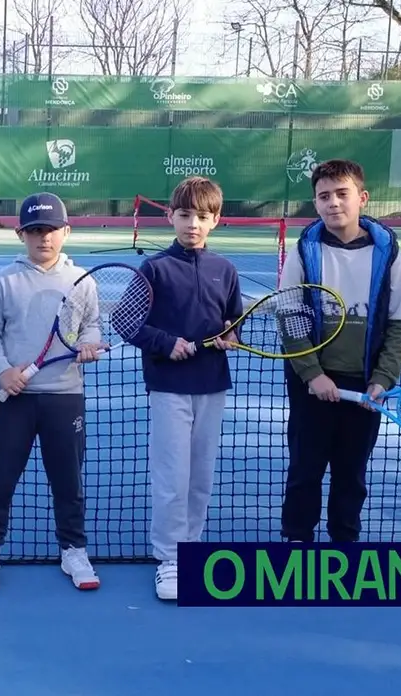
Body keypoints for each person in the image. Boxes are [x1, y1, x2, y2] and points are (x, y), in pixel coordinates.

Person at [0, 192, 103, 593]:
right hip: (17, 400)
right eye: (35, 231)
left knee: (68, 480)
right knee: (0, 479)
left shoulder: (82, 282)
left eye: (51, 230)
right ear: (21, 234)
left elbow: (92, 325)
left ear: (66, 231)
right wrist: (3, 371)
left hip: (65, 397)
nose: (43, 238)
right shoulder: (4, 281)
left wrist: (90, 344)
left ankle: (74, 549)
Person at [279, 159, 401, 544]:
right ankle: (296, 540)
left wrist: (382, 379)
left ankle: (345, 543)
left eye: (342, 194)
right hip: (312, 384)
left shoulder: (389, 254)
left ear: (362, 198)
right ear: (315, 203)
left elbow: (398, 325)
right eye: (323, 196)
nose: (333, 203)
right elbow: (290, 318)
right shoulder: (304, 251)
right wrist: (312, 374)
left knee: (352, 474)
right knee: (305, 470)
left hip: (365, 386)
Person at [126, 176, 242, 601]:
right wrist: (166, 343)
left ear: (216, 221)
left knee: (200, 475)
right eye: (185, 215)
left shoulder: (225, 271)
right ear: (171, 217)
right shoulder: (154, 268)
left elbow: (233, 323)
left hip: (212, 386)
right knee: (172, 474)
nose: (193, 223)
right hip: (168, 387)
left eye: (203, 217)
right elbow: (128, 323)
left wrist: (231, 337)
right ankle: (170, 556)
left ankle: (190, 547)